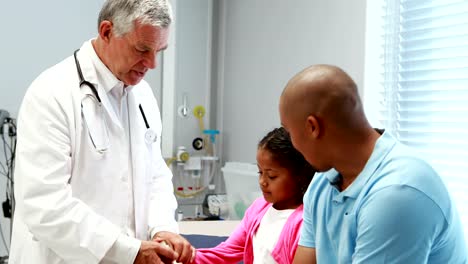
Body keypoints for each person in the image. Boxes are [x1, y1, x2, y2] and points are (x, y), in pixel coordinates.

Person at [9, 1, 194, 263]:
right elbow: (45, 205)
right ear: (107, 31)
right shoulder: (52, 94)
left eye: (159, 51)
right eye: (142, 49)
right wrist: (128, 251)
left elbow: (155, 176)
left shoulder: (142, 95)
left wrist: (162, 227)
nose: (152, 64)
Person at [279, 64, 468, 263]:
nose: (293, 143)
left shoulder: (397, 192)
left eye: (290, 132)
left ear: (312, 127)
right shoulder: (322, 183)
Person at [192, 127, 316, 264]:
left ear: (299, 176)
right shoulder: (259, 208)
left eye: (271, 176)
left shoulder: (303, 222)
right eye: (260, 172)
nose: (262, 181)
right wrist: (185, 256)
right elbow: (227, 251)